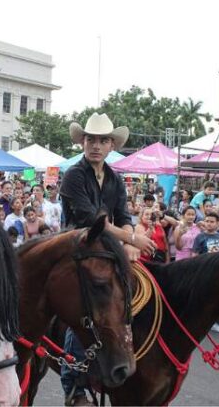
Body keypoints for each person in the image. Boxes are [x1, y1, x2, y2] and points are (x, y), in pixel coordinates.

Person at [59, 112, 154, 406]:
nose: (95, 145)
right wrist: (133, 239)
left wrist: (130, 241)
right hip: (73, 247)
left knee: (137, 289)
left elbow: (123, 217)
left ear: (111, 145)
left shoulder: (114, 178)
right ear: (83, 142)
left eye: (102, 141)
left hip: (103, 248)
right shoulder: (74, 174)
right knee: (87, 303)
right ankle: (72, 381)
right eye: (90, 140)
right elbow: (92, 220)